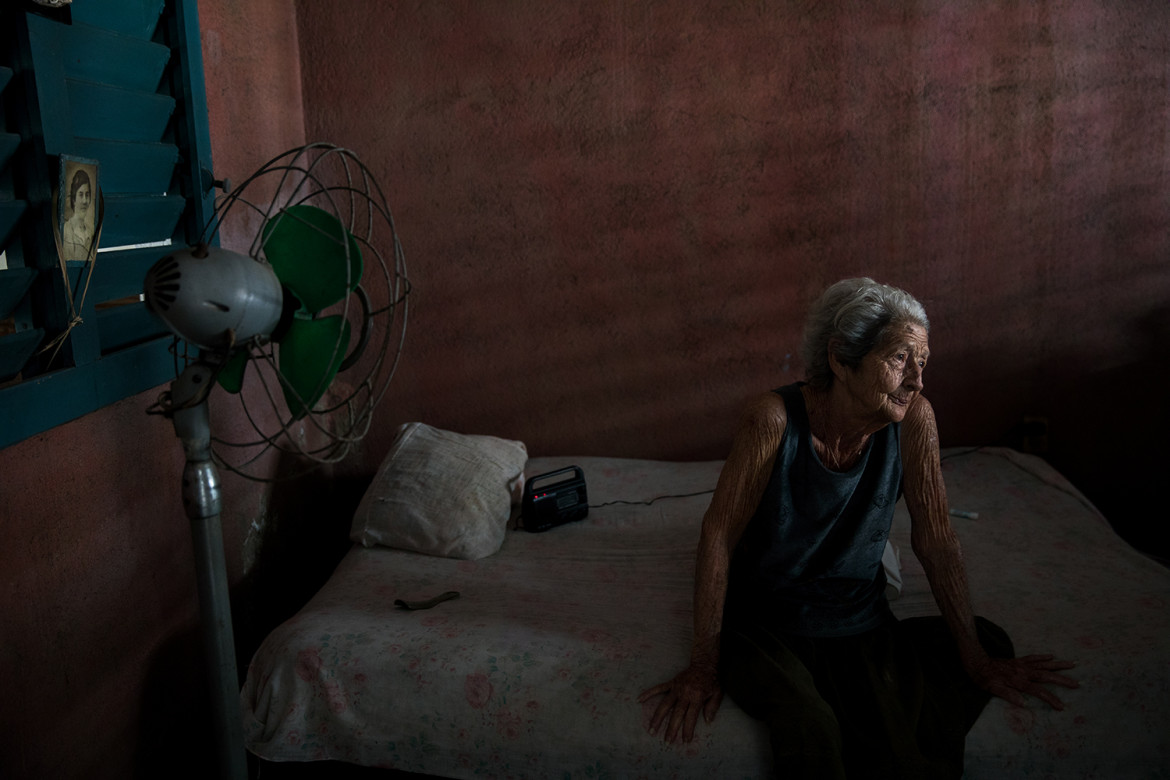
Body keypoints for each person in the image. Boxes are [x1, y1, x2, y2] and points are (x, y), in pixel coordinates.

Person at [639, 278, 1078, 779]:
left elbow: (935, 539)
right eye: (899, 359)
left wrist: (975, 660)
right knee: (811, 733)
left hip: (857, 619)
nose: (917, 380)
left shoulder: (915, 420)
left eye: (923, 363)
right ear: (841, 360)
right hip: (767, 623)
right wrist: (703, 665)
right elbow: (718, 536)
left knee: (970, 662)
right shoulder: (772, 419)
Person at [61, 169, 94, 260]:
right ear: (74, 199)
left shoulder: (90, 231)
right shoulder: (66, 230)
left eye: (87, 195)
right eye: (80, 194)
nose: (84, 201)